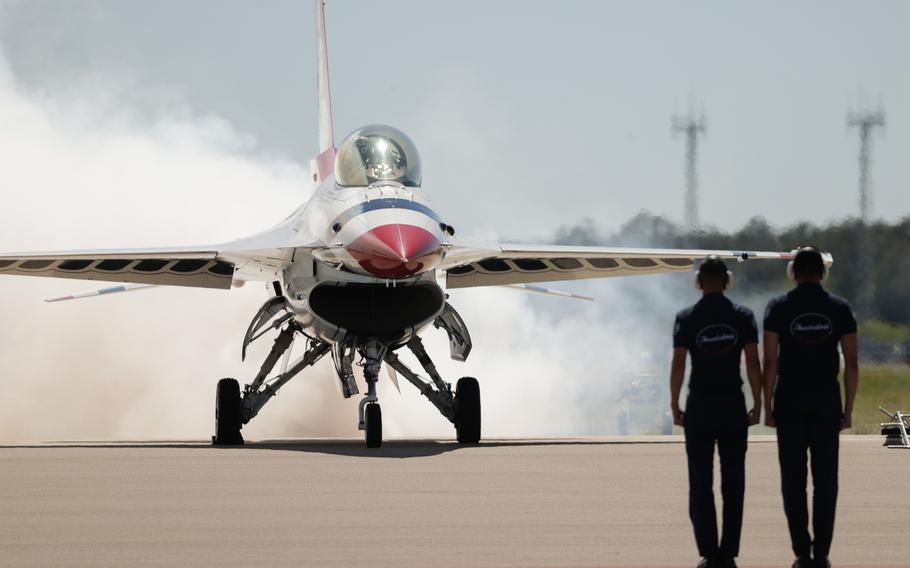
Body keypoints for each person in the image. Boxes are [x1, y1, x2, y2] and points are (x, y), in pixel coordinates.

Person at [762, 246, 859, 568]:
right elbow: (853, 363)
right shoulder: (840, 308)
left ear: (793, 273)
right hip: (827, 402)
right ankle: (822, 553)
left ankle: (801, 552)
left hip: (789, 400)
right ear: (822, 273)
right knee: (826, 481)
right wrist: (849, 409)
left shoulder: (777, 308)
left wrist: (767, 405)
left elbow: (770, 361)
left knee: (793, 481)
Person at [670, 256, 763, 568]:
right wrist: (759, 402)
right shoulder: (743, 316)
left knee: (700, 482)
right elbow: (752, 362)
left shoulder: (686, 317)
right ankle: (729, 553)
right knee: (734, 482)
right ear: (727, 280)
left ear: (699, 281)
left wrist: (674, 403)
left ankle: (709, 554)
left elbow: (679, 363)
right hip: (732, 404)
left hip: (700, 405)